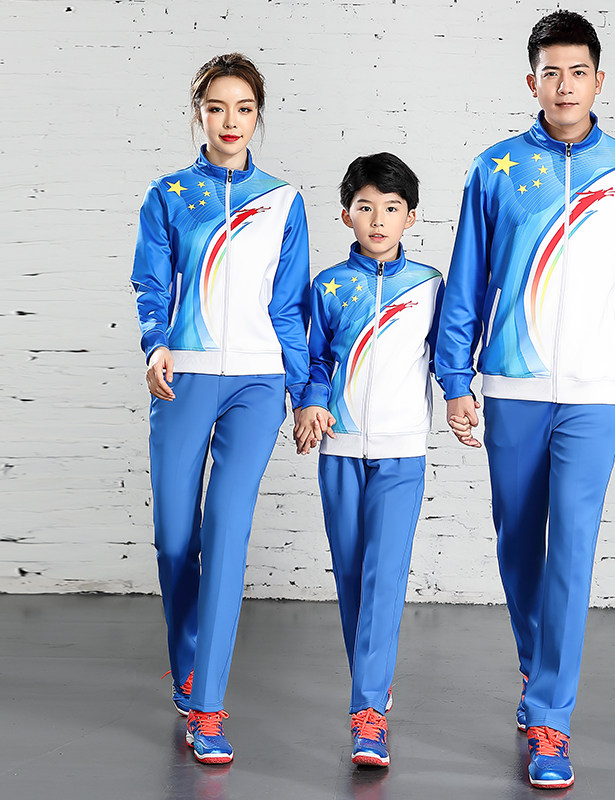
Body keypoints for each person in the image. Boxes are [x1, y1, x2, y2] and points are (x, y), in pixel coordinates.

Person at [435, 11, 615, 790]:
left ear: (599, 80)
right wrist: (455, 379)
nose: (565, 85)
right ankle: (538, 675)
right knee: (517, 545)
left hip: (594, 395)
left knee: (570, 547)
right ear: (531, 81)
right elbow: (467, 278)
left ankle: (551, 721)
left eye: (578, 71)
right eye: (551, 72)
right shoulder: (495, 170)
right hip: (513, 387)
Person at [130, 53, 310, 765]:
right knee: (176, 539)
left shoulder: (283, 201)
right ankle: (187, 667)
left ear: (258, 116)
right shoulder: (168, 194)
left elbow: (290, 306)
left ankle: (208, 709)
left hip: (258, 385)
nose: (230, 122)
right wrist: (155, 346)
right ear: (198, 113)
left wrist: (306, 392)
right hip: (184, 378)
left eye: (243, 109)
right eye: (216, 108)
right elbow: (150, 284)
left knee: (227, 533)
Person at [294, 153, 443, 768]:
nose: (378, 220)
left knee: (386, 574)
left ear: (411, 216)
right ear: (346, 214)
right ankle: (372, 686)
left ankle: (369, 713)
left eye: (391, 208)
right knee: (353, 575)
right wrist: (309, 403)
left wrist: (461, 399)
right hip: (339, 448)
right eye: (365, 208)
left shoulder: (430, 285)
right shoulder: (327, 286)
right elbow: (314, 359)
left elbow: (447, 354)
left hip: (402, 449)